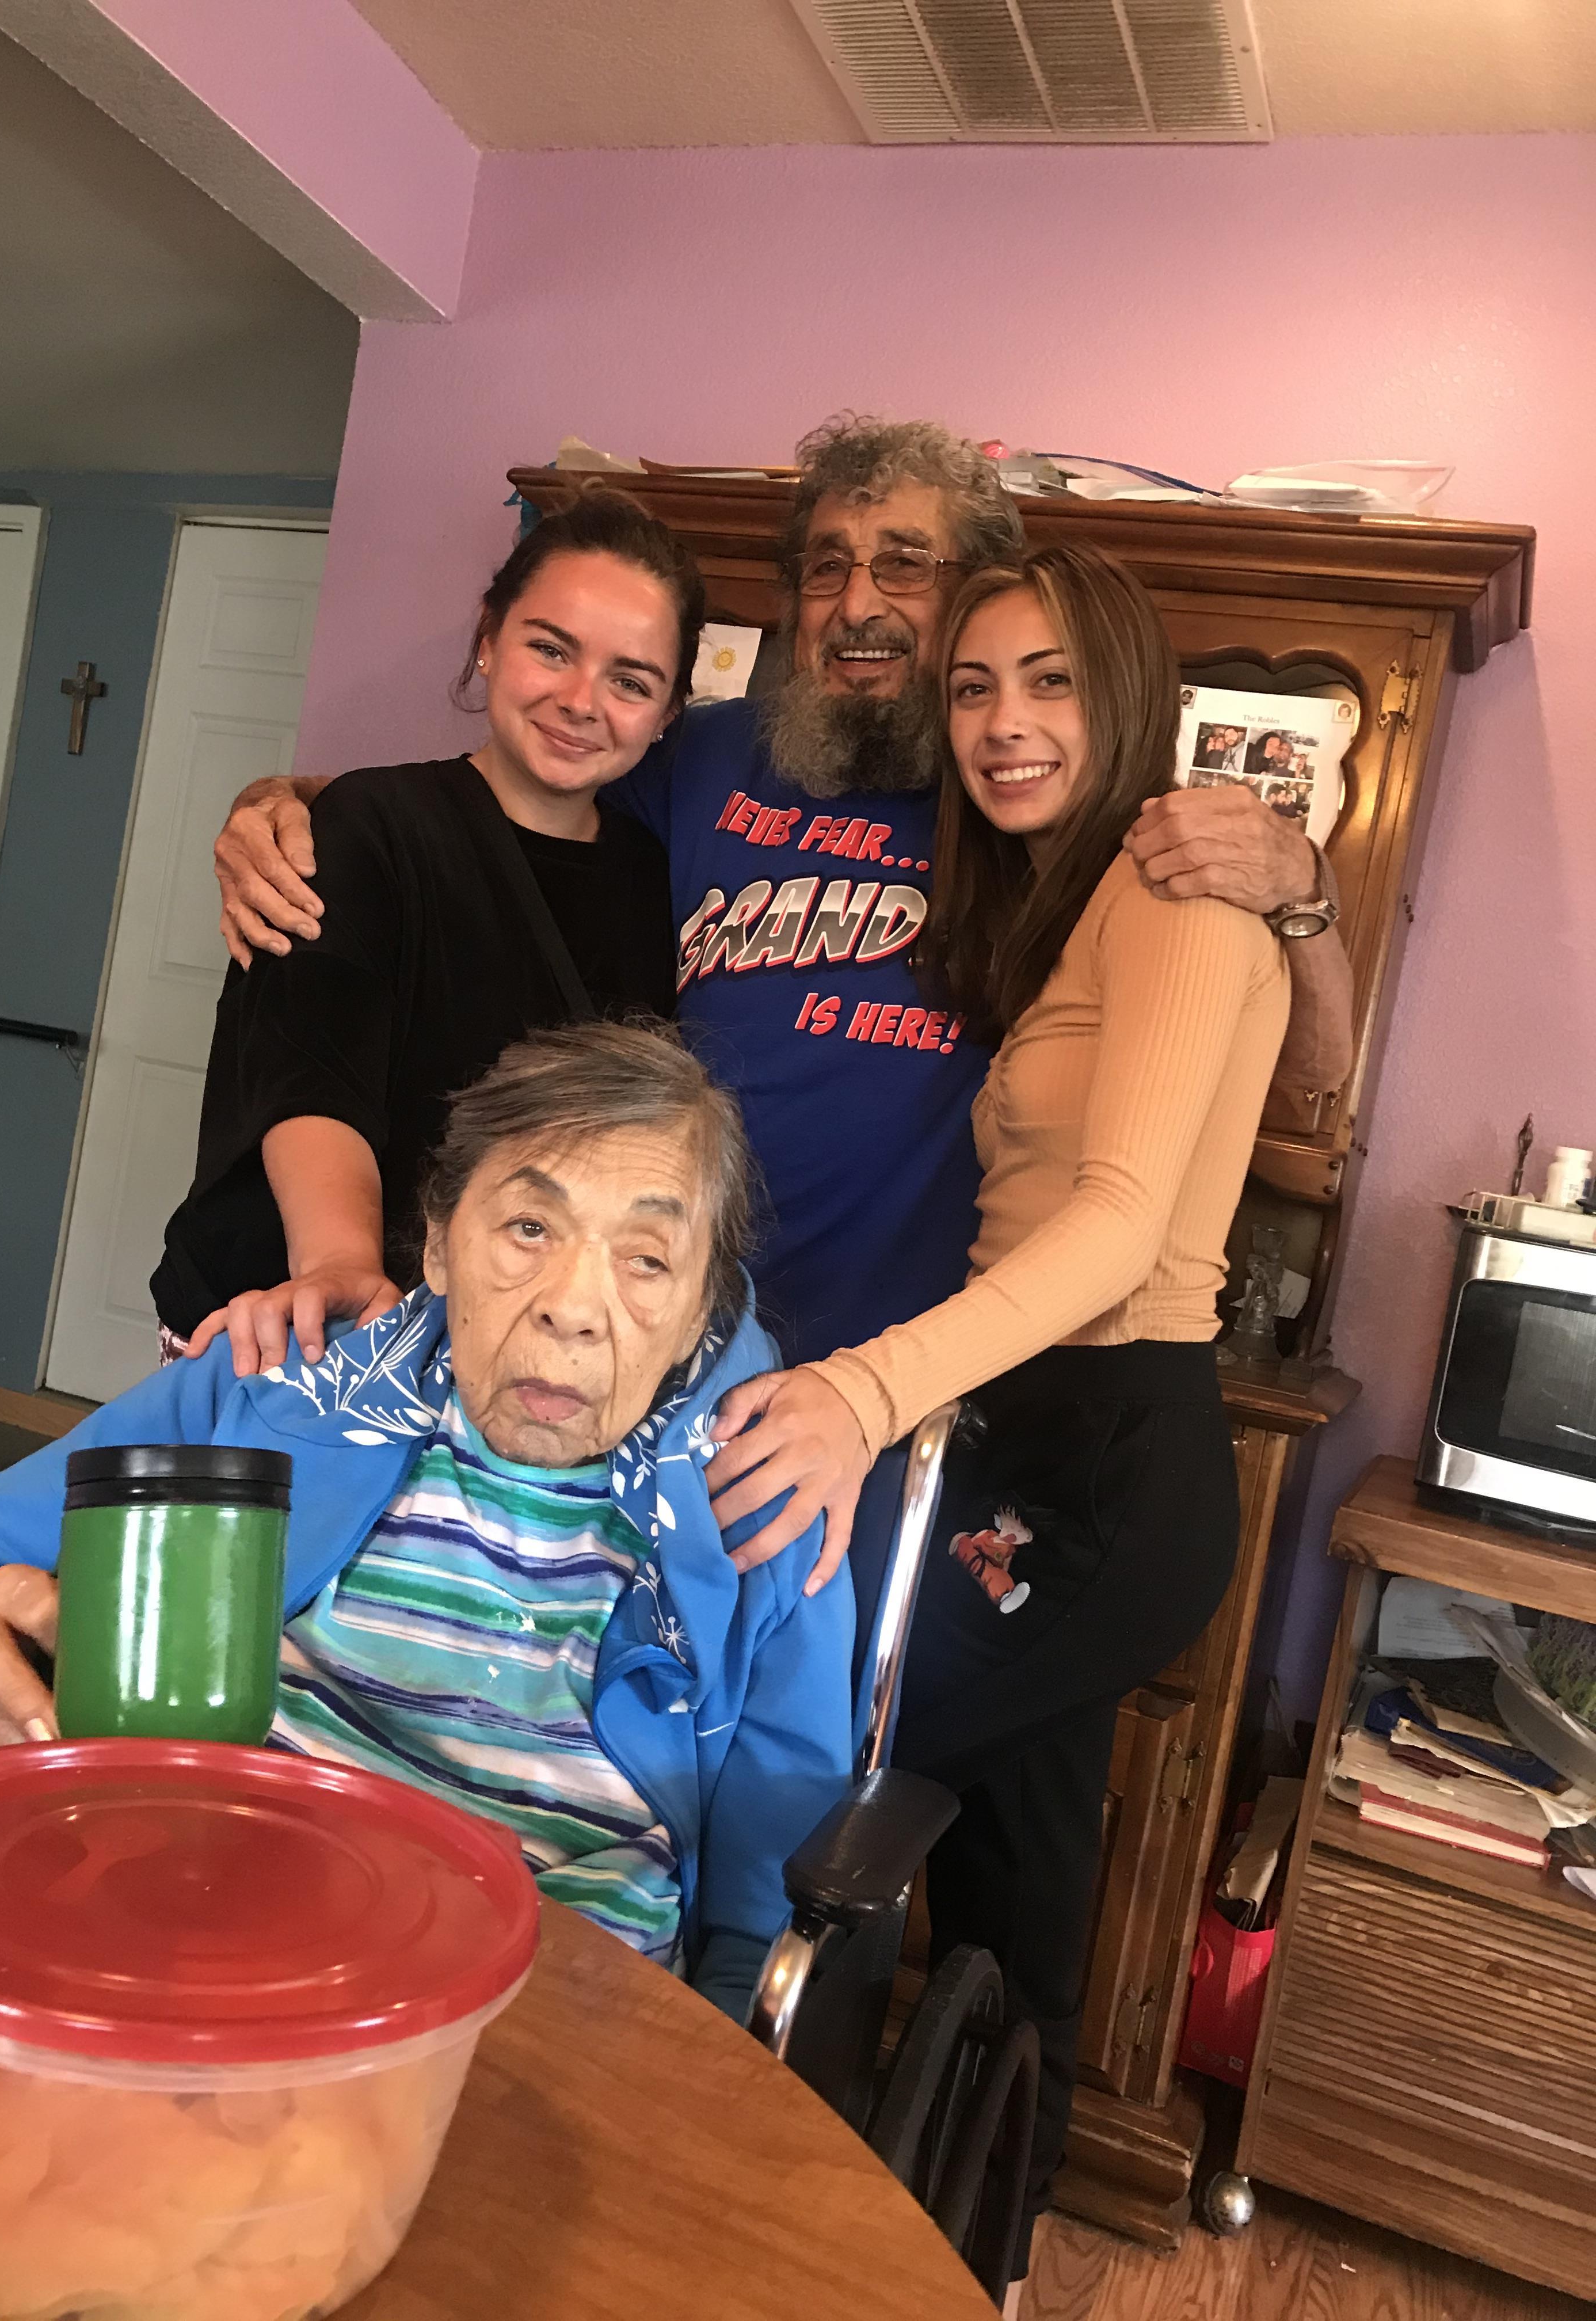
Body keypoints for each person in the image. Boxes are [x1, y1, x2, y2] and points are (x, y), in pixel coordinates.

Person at [211, 420, 1351, 1544]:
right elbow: (520, 797)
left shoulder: (1026, 811)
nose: (858, 604)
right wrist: (300, 806)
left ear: (974, 595)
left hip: (894, 1383)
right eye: (826, 568)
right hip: (651, 1355)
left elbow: (1304, 1077)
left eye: (906, 564)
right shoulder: (707, 757)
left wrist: (1303, 886)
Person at [706, 544, 1290, 2276]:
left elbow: (1116, 1224)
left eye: (1050, 682)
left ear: (1126, 696)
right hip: (1034, 1438)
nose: (1003, 723)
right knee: (1014, 1878)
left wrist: (862, 1388)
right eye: (973, 687)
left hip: (1110, 1459)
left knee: (840, 1797)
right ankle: (982, 2259)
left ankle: (783, 2202)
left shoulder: (1176, 896)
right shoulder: (1077, 902)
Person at [0, 1024, 851, 2022]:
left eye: (647, 1260)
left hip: (544, 2017)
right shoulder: (273, 1384)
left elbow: (759, 1928)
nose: (575, 1309)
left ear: (700, 1309)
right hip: (205, 1935)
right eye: (529, 1229)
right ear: (439, 1243)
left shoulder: (761, 1512)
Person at [150, 488, 700, 1378]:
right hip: (301, 1336)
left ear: (669, 712)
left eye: (630, 681)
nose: (580, 700)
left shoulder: (652, 879)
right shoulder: (366, 826)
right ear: (489, 638)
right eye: (550, 649)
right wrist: (340, 1261)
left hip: (494, 1360)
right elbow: (310, 1071)